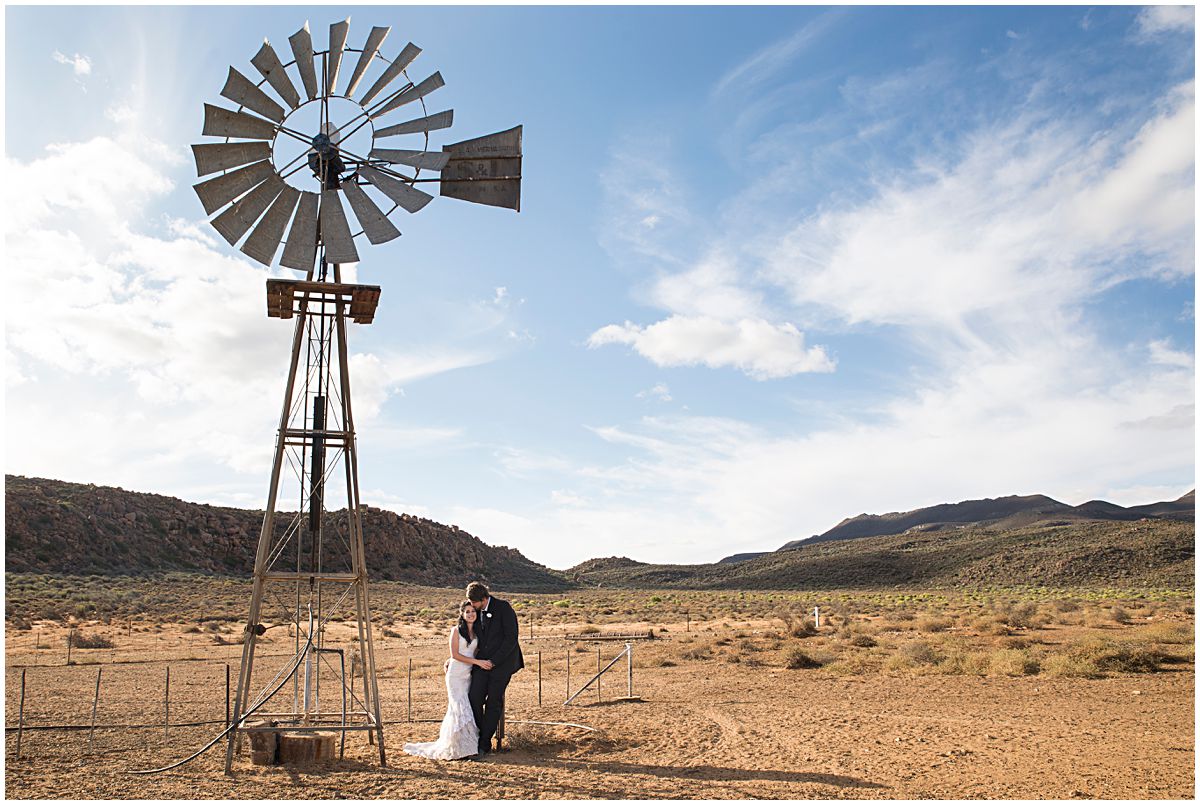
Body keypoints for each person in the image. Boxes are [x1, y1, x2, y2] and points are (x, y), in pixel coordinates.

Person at [402, 601, 488, 760]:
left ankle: (467, 746)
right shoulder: (456, 630)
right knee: (458, 706)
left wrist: (477, 662)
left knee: (466, 706)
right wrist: (475, 662)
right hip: (455, 675)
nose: (470, 614)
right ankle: (458, 748)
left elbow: (473, 652)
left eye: (473, 611)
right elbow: (455, 654)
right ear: (462, 614)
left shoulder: (478, 632)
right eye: (467, 612)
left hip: (468, 674)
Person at [466, 580, 524, 756]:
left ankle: (484, 744)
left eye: (475, 603)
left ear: (484, 598)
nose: (472, 606)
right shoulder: (474, 611)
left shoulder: (503, 608)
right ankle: (479, 735)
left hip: (502, 663)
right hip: (482, 663)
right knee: (474, 698)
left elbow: (511, 638)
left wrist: (494, 661)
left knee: (493, 702)